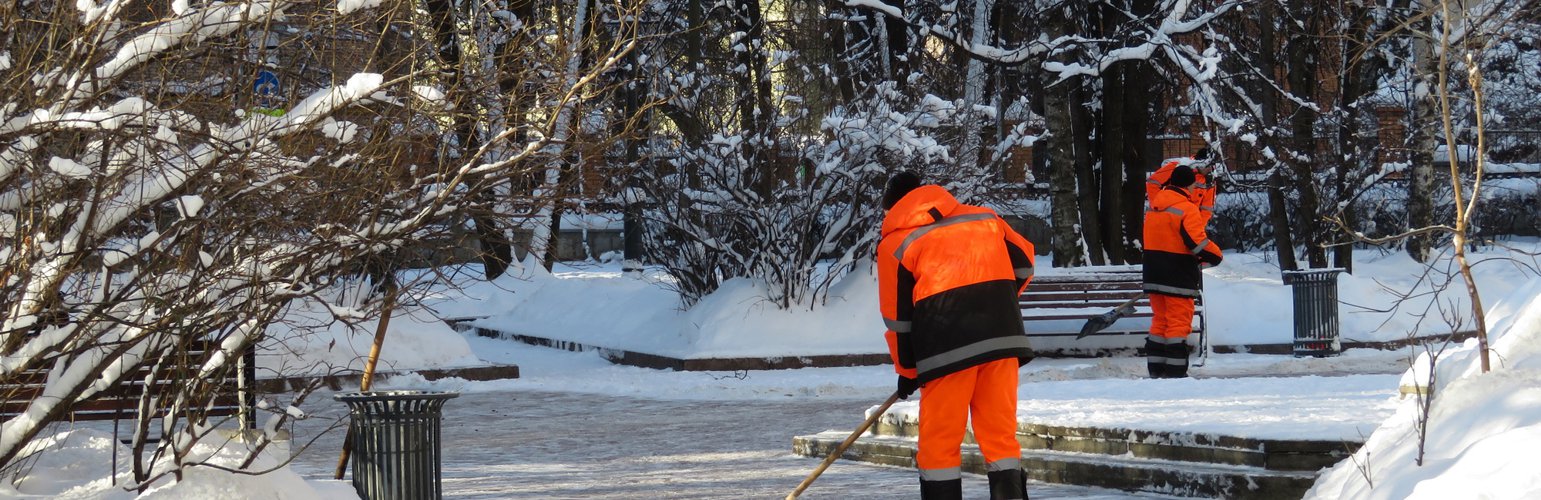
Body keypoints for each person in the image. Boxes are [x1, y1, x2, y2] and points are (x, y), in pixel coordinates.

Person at [875, 172, 1037, 500]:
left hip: (945, 352)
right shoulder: (984, 218)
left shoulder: (897, 244)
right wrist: (996, 300)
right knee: (1001, 438)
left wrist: (907, 371)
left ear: (893, 207)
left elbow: (898, 320)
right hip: (1001, 343)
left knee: (940, 445)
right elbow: (1025, 264)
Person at [1142, 165, 1223, 378]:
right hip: (1177, 273)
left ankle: (1156, 368)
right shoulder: (1186, 209)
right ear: (1190, 185)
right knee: (1178, 322)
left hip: (1153, 272)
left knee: (1160, 320)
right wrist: (1216, 256)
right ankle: (1176, 371)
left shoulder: (1155, 205)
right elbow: (1197, 242)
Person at [1147, 147, 1218, 219]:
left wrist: (1197, 226)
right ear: (1200, 163)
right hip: (1167, 218)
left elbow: (1206, 209)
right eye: (1208, 166)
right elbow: (1152, 183)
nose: (1210, 169)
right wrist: (1157, 205)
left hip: (1188, 221)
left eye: (1212, 166)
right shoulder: (1178, 167)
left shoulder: (1209, 180)